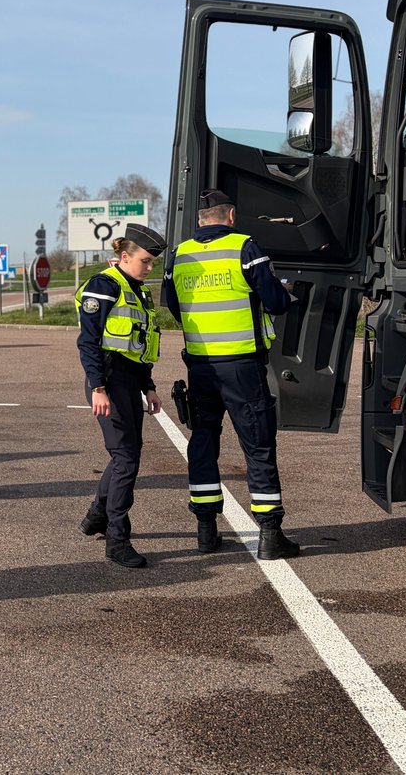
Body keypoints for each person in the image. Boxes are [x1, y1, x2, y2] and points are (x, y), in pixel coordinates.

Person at [164, 189, 299, 560]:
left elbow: (174, 306)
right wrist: (285, 294)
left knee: (204, 441)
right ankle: (270, 533)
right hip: (242, 366)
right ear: (232, 215)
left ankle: (206, 532)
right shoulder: (246, 248)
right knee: (257, 443)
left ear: (200, 220)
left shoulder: (180, 255)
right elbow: (274, 302)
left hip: (201, 366)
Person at [75, 224, 166, 568]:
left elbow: (139, 345)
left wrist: (149, 386)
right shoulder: (104, 286)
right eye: (144, 261)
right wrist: (98, 387)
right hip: (108, 382)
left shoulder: (138, 292)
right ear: (124, 257)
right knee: (126, 458)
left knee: (126, 455)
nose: (148, 267)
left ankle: (98, 513)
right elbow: (88, 342)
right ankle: (117, 538)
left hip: (129, 381)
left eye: (152, 263)